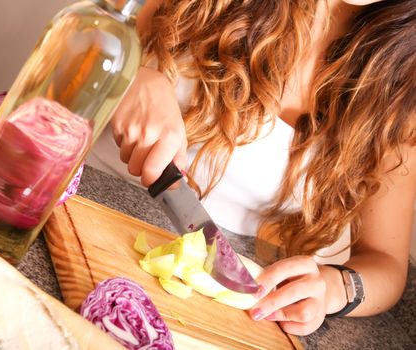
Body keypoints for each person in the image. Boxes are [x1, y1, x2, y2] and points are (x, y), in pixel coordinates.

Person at [86, 0, 416, 336]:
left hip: (201, 297)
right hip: (85, 213)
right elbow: (82, 33)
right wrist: (130, 75)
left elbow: (385, 262)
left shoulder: (400, 87)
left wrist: (334, 287)